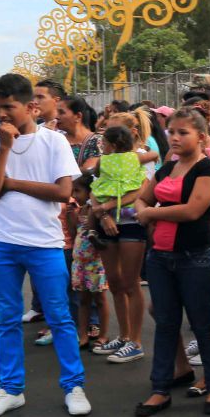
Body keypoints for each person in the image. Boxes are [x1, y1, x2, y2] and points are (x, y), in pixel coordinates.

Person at [0, 73, 90, 417]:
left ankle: (74, 386)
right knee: (7, 318)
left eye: (9, 107)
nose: (2, 115)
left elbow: (62, 192)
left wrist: (13, 183)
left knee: (59, 317)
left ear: (31, 107)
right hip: (0, 240)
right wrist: (4, 149)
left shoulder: (53, 142)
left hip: (44, 243)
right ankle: (10, 389)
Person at [133, 109, 210, 417]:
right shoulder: (167, 169)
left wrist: (150, 214)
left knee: (204, 325)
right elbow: (142, 197)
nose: (174, 137)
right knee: (165, 323)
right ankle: (160, 388)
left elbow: (192, 211)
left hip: (196, 257)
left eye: (183, 132)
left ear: (201, 137)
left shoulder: (209, 170)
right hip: (161, 257)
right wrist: (144, 210)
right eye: (171, 131)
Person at [88, 119, 150, 364]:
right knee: (114, 282)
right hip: (107, 224)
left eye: (104, 142)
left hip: (132, 223)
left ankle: (135, 341)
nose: (101, 146)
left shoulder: (137, 160)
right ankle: (124, 336)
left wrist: (107, 206)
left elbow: (141, 190)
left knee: (130, 282)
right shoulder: (104, 164)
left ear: (112, 144)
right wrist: (102, 215)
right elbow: (93, 191)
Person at [68, 175, 108, 350]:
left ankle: (104, 335)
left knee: (100, 299)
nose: (74, 195)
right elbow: (73, 233)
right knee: (83, 299)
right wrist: (72, 218)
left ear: (90, 191)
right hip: (80, 262)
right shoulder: (79, 211)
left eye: (78, 190)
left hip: (96, 262)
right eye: (73, 191)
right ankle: (83, 334)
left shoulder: (95, 211)